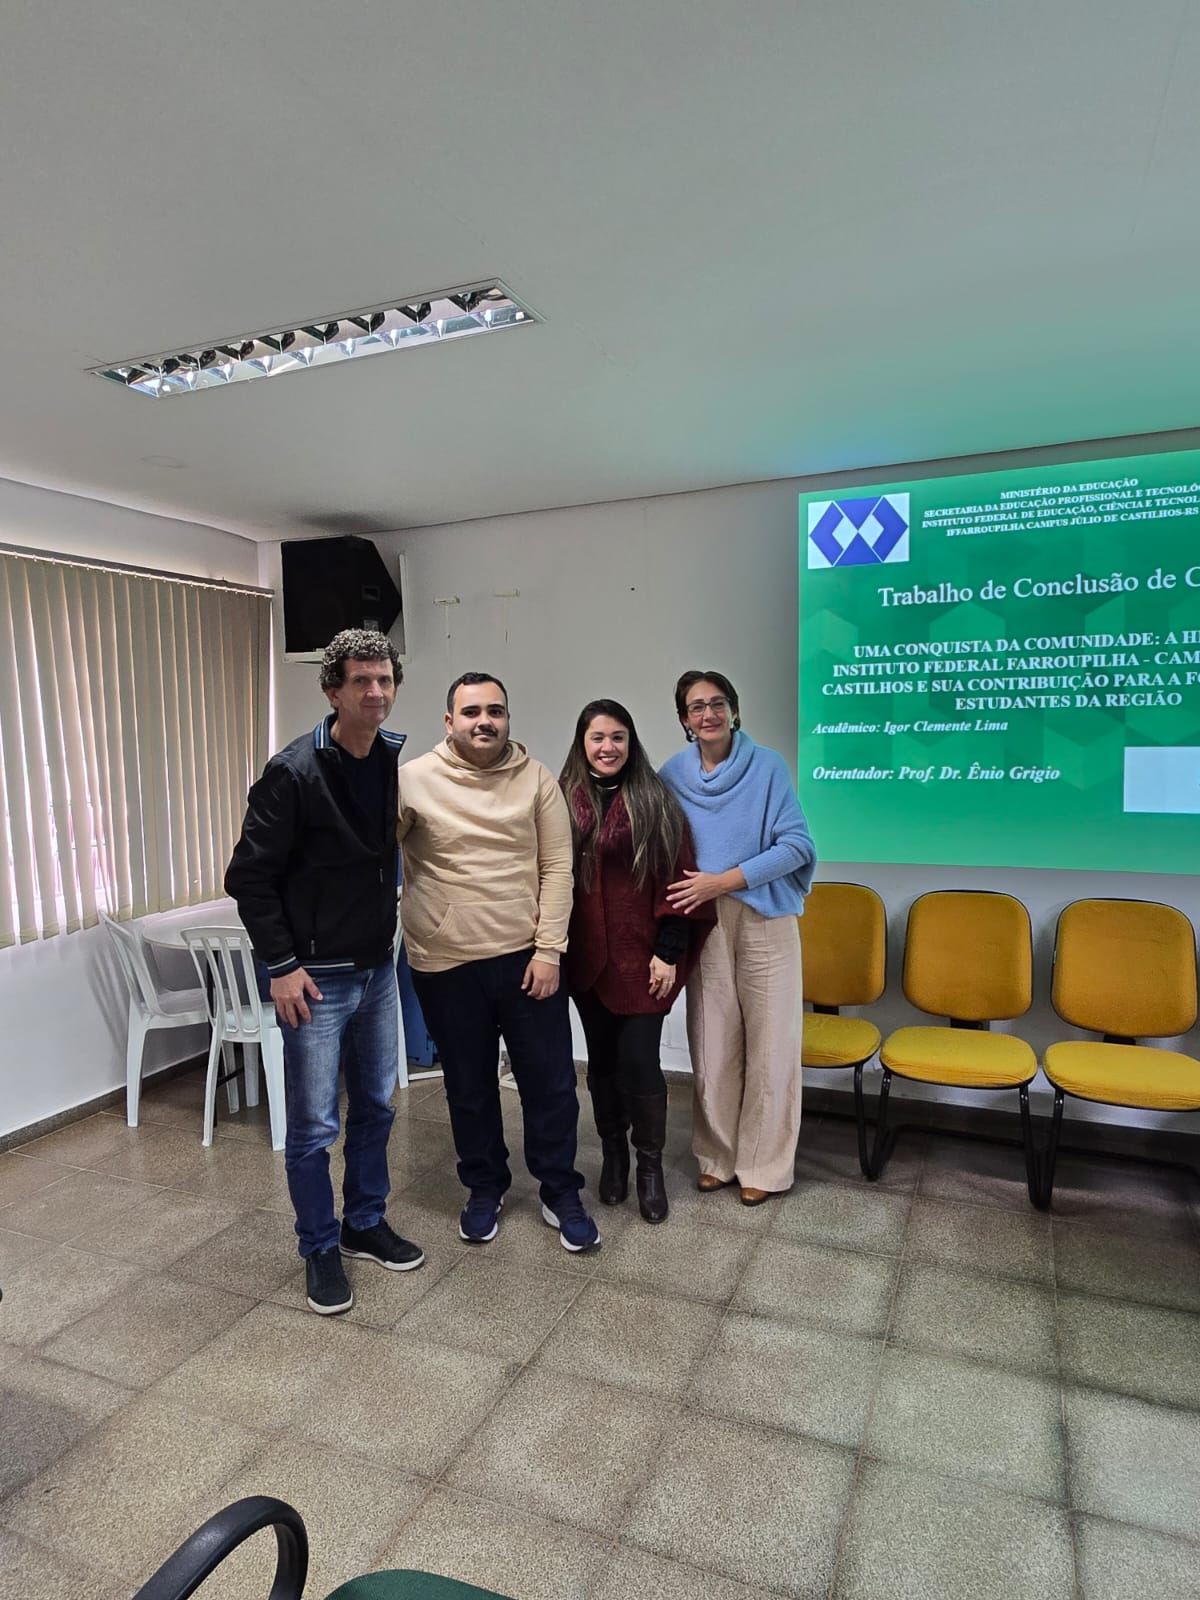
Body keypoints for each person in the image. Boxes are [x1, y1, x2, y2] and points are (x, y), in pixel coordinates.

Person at [225, 629, 425, 1315]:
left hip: (375, 971)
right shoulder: (293, 772)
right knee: (313, 1127)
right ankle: (318, 1246)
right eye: (361, 681)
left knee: (376, 1106)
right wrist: (281, 966)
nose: (375, 692)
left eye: (384, 680)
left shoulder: (391, 759)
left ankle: (363, 1223)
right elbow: (249, 877)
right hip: (313, 980)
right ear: (332, 690)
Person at [397, 672, 600, 1252]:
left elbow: (557, 869)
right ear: (449, 721)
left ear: (508, 718)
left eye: (495, 711)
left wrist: (549, 950)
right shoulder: (410, 780)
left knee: (551, 1085)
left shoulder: (536, 779)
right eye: (471, 712)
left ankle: (559, 1190)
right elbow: (370, 848)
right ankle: (484, 1187)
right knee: (468, 1086)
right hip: (444, 963)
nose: (484, 721)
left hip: (526, 962)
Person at [660, 669, 815, 1205]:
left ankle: (764, 1166)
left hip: (764, 916)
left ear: (733, 709)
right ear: (684, 719)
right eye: (697, 706)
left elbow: (797, 847)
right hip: (702, 922)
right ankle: (717, 1157)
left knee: (773, 1045)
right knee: (712, 1041)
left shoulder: (767, 767)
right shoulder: (671, 775)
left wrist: (722, 881)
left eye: (717, 703)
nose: (709, 714)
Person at [559, 699, 714, 1222]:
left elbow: (679, 880)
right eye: (598, 737)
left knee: (641, 1064)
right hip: (586, 960)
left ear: (631, 742)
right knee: (601, 1064)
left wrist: (668, 953)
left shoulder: (656, 801)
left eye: (618, 737)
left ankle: (650, 1167)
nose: (608, 747)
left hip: (643, 961)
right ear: (582, 743)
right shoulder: (563, 799)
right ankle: (614, 1155)